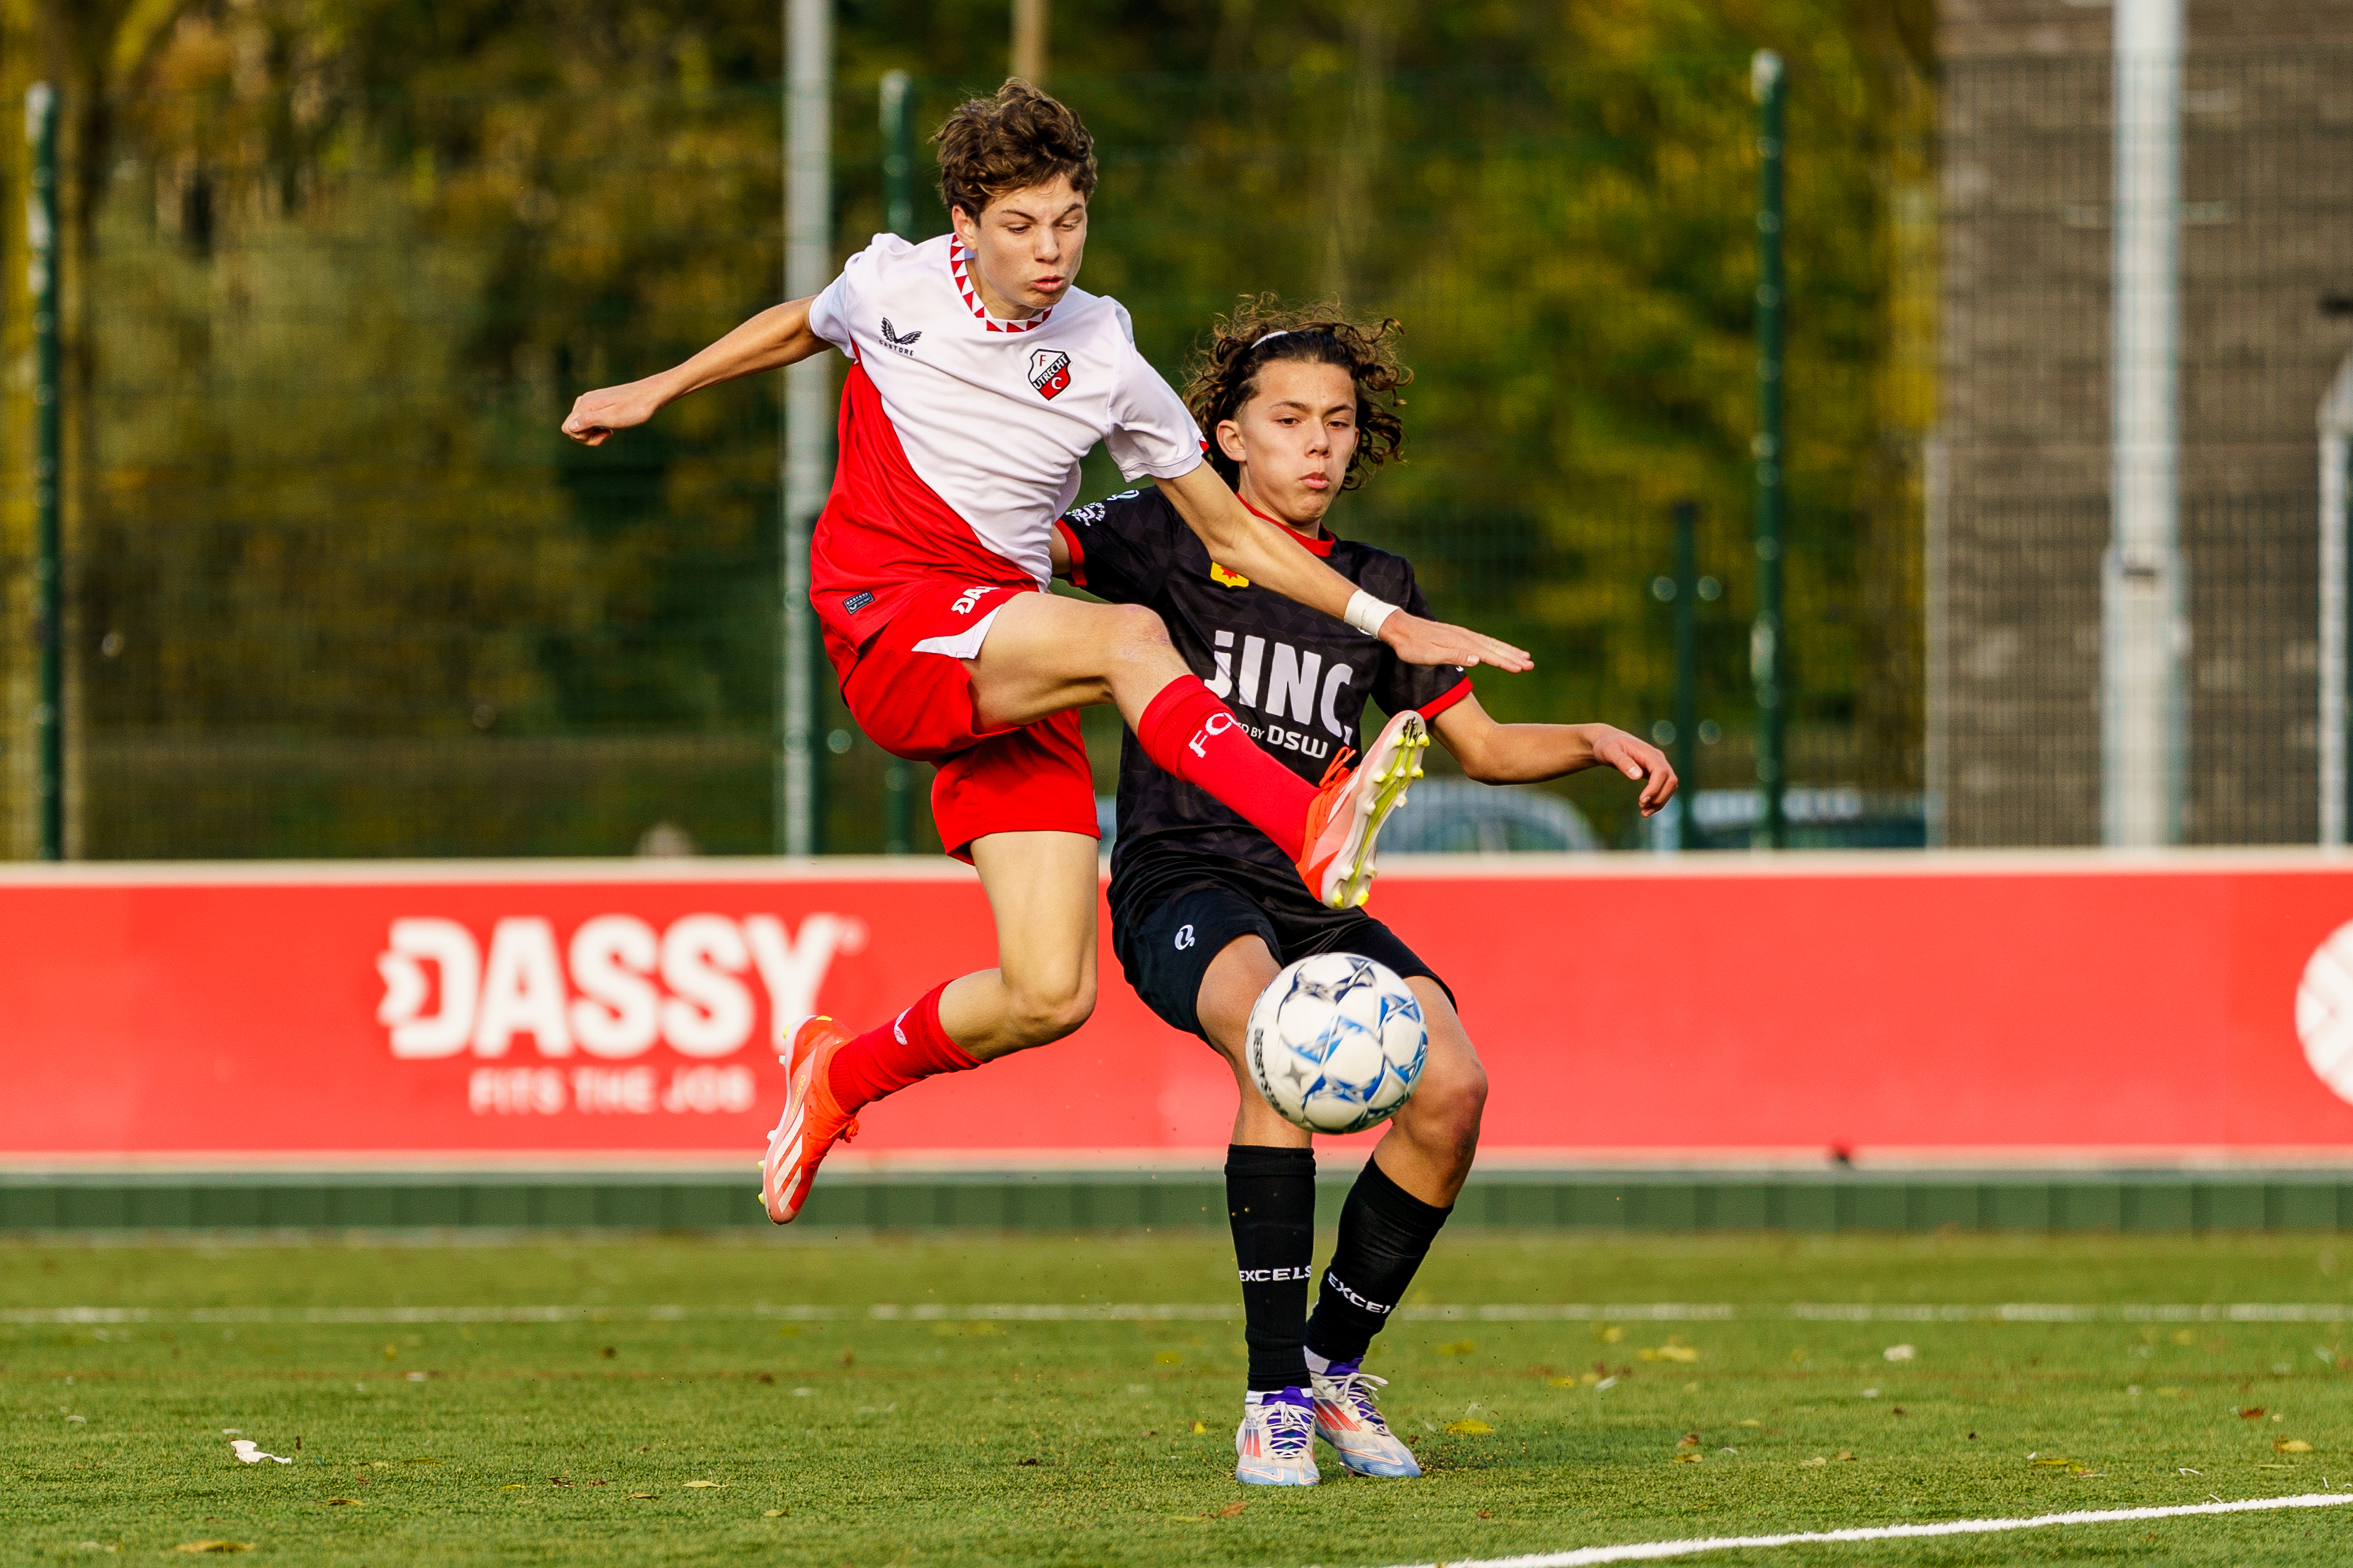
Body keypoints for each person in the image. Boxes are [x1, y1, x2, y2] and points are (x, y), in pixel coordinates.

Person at [559, 82, 1531, 1225]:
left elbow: (1229, 530)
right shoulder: (895, 281)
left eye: (1068, 221)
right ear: (964, 223)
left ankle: (838, 1074)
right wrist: (658, 388)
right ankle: (1303, 820)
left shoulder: (1106, 351)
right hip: (893, 615)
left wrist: (1388, 625)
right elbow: (802, 322)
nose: (1050, 250)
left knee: (1049, 991)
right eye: (1020, 226)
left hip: (1008, 649)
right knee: (1131, 634)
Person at [1046, 300, 1676, 1487]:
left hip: (1313, 893)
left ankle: (1332, 1368)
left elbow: (1481, 751)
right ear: (1226, 437)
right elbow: (1014, 542)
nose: (1318, 443)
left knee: (1453, 1088)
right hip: (1181, 874)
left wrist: (1590, 737)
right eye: (1288, 420)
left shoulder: (1380, 587)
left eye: (1338, 421)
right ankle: (1271, 1396)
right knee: (1275, 1049)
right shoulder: (1155, 532)